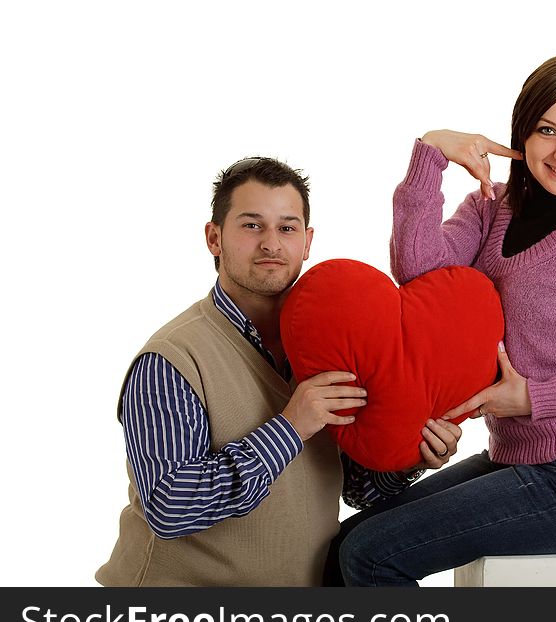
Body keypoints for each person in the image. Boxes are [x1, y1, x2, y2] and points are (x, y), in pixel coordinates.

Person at [325, 55, 556, 586]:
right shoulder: (493, 209)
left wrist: (534, 398)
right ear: (522, 134)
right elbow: (417, 269)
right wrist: (432, 154)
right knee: (343, 548)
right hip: (513, 459)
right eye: (547, 131)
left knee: (371, 558)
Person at [96, 156, 461, 586]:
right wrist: (290, 427)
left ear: (307, 243)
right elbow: (171, 508)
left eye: (287, 228)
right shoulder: (171, 359)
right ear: (214, 238)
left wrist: (410, 456)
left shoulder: (337, 346)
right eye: (252, 225)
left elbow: (358, 490)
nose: (272, 243)